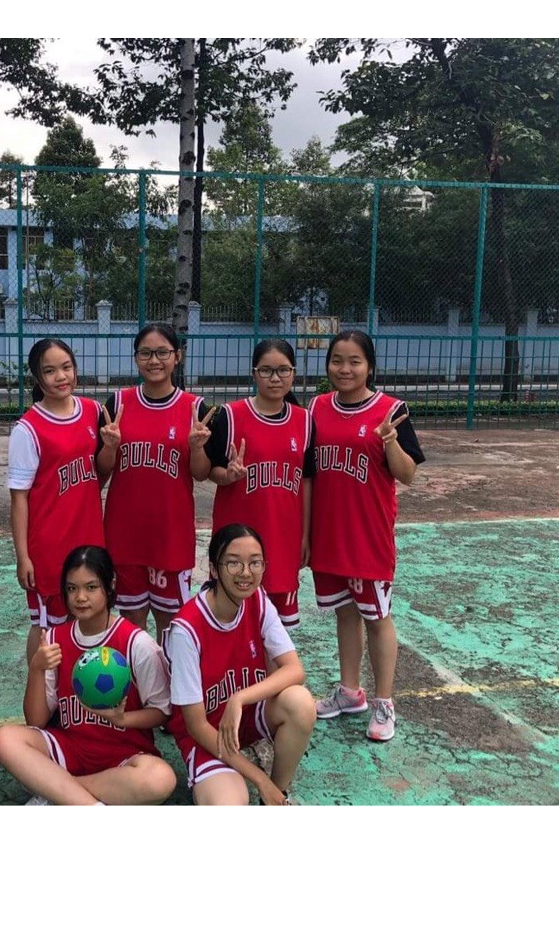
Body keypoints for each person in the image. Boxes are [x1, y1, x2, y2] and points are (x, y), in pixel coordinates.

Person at [0, 544, 176, 805]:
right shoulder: (55, 639)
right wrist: (36, 669)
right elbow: (36, 721)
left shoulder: (136, 643)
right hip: (70, 749)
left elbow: (162, 711)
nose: (80, 597)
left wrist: (123, 718)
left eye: (91, 587)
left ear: (110, 586)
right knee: (4, 739)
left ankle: (57, 792)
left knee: (160, 778)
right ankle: (89, 804)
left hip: (123, 755)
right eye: (71, 588)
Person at [308, 329, 425, 742]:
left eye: (354, 361)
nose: (345, 369)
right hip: (329, 532)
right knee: (345, 612)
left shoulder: (391, 411)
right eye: (337, 360)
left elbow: (408, 475)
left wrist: (391, 442)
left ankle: (384, 701)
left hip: (368, 534)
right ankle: (350, 692)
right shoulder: (316, 408)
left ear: (370, 367)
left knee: (377, 617)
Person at [164, 524, 316, 805]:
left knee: (300, 703)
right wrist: (259, 780)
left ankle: (276, 795)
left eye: (255, 563)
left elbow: (295, 670)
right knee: (229, 804)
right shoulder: (186, 629)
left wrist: (239, 698)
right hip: (209, 735)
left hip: (246, 716)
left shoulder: (258, 601)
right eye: (233, 563)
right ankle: (263, 784)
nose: (246, 573)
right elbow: (196, 726)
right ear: (213, 569)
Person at [97, 323, 214, 639]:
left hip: (171, 536)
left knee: (171, 625)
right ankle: (138, 675)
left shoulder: (195, 408)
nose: (154, 361)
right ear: (136, 357)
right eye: (146, 353)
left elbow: (201, 473)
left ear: (178, 356)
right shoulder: (117, 404)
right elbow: (103, 469)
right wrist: (109, 447)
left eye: (163, 352)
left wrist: (196, 448)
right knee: (132, 625)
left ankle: (169, 674)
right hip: (125, 535)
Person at [206, 338, 315, 629]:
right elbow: (209, 470)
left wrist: (305, 535)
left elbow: (306, 482)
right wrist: (228, 475)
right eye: (266, 370)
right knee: (233, 622)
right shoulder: (231, 416)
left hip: (283, 538)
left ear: (293, 373)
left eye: (283, 370)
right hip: (237, 537)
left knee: (277, 630)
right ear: (254, 373)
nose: (275, 378)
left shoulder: (305, 421)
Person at [8, 338, 105, 662]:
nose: (60, 377)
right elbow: (19, 498)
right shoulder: (28, 429)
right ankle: (39, 687)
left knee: (89, 616)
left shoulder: (93, 411)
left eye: (66, 367)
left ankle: (80, 686)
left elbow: (99, 473)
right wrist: (23, 556)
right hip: (49, 546)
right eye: (50, 371)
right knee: (47, 627)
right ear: (37, 378)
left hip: (89, 538)